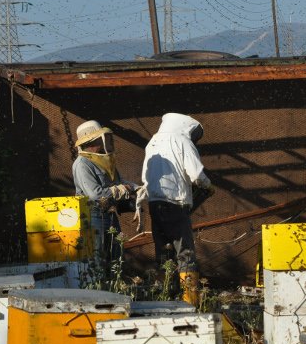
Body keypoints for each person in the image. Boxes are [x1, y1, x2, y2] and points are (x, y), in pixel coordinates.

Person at [142, 113, 213, 273]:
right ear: (186, 126)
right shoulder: (182, 141)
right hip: (176, 204)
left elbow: (144, 177)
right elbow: (196, 174)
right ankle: (189, 296)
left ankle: (166, 294)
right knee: (185, 253)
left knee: (163, 252)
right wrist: (208, 185)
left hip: (155, 204)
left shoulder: (152, 142)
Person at [72, 120, 137, 261]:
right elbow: (94, 194)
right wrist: (119, 190)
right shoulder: (82, 164)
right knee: (97, 259)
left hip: (110, 212)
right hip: (92, 215)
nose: (105, 142)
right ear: (92, 141)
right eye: (102, 139)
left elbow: (119, 182)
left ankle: (115, 283)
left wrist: (137, 188)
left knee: (116, 256)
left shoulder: (102, 160)